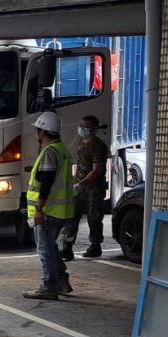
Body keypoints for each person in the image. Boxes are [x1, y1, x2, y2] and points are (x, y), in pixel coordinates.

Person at [23, 111, 75, 300]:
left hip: (48, 210)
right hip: (60, 210)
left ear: (42, 132)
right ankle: (62, 281)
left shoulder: (49, 152)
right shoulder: (62, 149)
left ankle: (49, 285)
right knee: (51, 248)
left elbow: (47, 181)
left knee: (44, 249)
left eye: (37, 130)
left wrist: (39, 209)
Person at [60, 114, 109, 261]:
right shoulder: (81, 142)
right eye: (81, 125)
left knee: (94, 217)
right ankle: (67, 248)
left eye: (86, 126)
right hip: (78, 184)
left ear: (94, 129)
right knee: (71, 216)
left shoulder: (99, 146)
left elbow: (97, 170)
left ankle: (95, 246)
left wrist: (82, 185)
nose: (82, 129)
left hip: (94, 187)